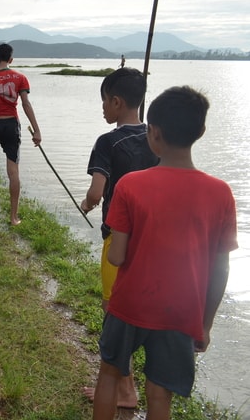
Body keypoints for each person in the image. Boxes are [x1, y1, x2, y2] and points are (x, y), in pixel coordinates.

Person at [92, 86, 238, 420]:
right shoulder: (221, 193)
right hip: (182, 311)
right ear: (200, 132)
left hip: (129, 304)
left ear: (152, 133)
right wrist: (206, 323)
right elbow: (220, 269)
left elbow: (116, 257)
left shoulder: (130, 185)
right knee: (160, 394)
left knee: (110, 376)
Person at [79, 67, 159, 409]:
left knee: (115, 312)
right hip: (154, 241)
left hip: (119, 241)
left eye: (103, 102)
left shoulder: (107, 141)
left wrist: (85, 203)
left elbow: (98, 192)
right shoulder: (158, 138)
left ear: (116, 101)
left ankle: (124, 391)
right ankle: (137, 388)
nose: (102, 110)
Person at [0, 43, 42, 226]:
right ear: (11, 59)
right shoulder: (20, 77)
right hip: (12, 124)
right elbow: (26, 104)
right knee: (13, 171)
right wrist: (36, 130)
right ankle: (13, 217)